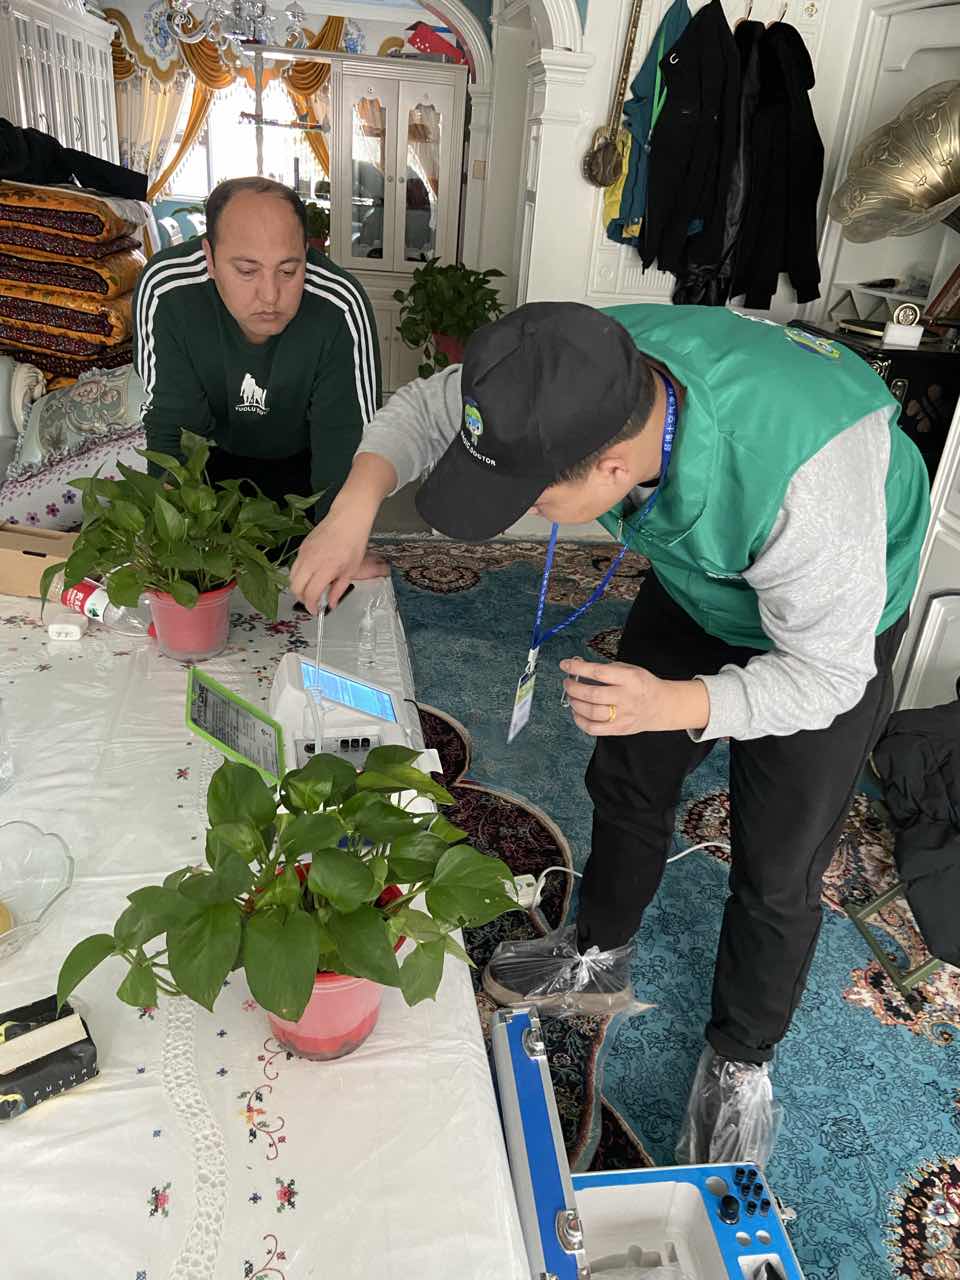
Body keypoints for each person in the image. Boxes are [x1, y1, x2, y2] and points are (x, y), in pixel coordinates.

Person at [289, 302, 929, 1165]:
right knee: (626, 773)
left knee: (779, 862)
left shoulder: (809, 482)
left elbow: (826, 677)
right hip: (704, 578)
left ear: (615, 465)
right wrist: (353, 508)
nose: (526, 508)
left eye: (536, 497)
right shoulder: (568, 363)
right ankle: (597, 949)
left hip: (829, 622)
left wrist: (676, 702)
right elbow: (426, 408)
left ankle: (742, 1059)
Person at [133, 177, 384, 555]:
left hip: (304, 470)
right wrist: (172, 548)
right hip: (209, 464)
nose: (270, 295)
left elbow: (346, 444)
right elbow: (173, 432)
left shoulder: (339, 305)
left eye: (288, 271)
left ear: (306, 253)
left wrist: (340, 541)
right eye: (247, 271)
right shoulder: (167, 290)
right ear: (209, 258)